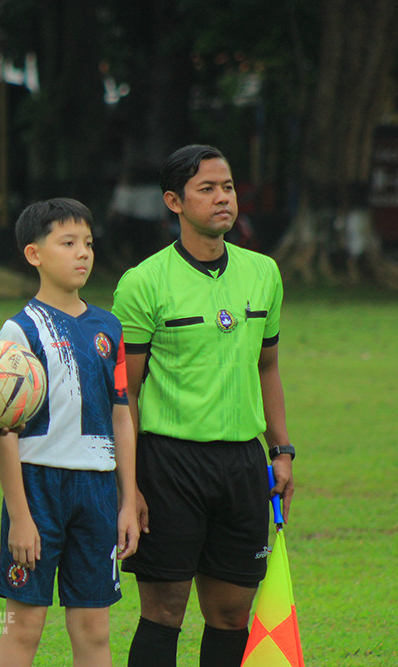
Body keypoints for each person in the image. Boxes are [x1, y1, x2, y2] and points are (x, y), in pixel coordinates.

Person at [111, 144, 296, 667]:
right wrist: (131, 485)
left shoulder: (264, 273)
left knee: (233, 614)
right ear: (174, 201)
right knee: (164, 611)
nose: (223, 199)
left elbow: (268, 367)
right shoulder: (143, 282)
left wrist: (280, 450)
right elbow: (125, 395)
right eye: (207, 189)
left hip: (241, 465)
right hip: (169, 464)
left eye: (228, 187)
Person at [0, 198, 140, 666]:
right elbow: (3, 431)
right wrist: (19, 516)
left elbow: (121, 416)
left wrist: (128, 500)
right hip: (37, 487)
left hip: (97, 491)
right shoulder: (18, 330)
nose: (83, 254)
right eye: (68, 243)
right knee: (25, 626)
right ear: (34, 254)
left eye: (89, 244)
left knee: (94, 628)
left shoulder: (107, 327)